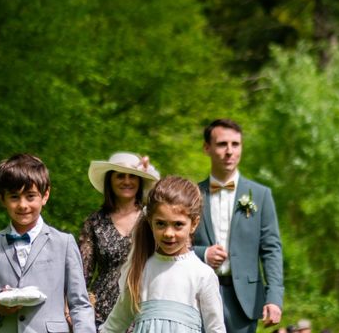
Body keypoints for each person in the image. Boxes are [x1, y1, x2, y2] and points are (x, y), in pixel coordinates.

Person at [0, 153, 95, 332]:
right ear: (1, 198)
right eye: (14, 197)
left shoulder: (64, 243)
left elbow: (80, 305)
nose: (23, 205)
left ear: (45, 195)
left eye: (30, 196)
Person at [100, 175, 226, 333]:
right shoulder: (139, 271)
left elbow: (216, 329)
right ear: (150, 221)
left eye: (178, 225)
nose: (168, 233)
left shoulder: (203, 275)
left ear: (193, 224)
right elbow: (113, 326)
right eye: (160, 224)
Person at [193, 119, 284, 333]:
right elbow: (176, 244)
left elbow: (271, 250)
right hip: (198, 296)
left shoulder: (261, 195)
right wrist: (203, 253)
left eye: (235, 144)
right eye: (222, 144)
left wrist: (274, 298)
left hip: (246, 300)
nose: (229, 151)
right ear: (207, 148)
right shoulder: (192, 194)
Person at [79, 151, 161, 328]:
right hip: (100, 313)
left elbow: (167, 197)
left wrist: (151, 172)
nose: (127, 181)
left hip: (142, 307)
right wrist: (78, 309)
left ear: (140, 181)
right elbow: (82, 273)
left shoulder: (151, 219)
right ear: (110, 180)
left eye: (133, 176)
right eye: (120, 176)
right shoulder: (94, 221)